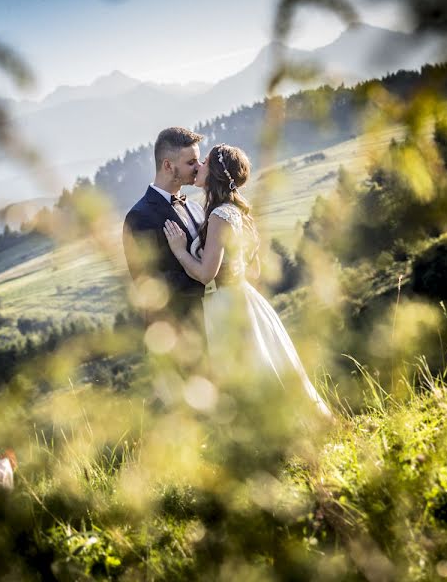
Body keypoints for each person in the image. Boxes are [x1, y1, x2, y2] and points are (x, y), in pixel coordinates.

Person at [162, 143, 332, 418]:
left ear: (215, 172)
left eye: (204, 162)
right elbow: (252, 270)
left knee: (247, 371)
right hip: (241, 298)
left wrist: (180, 251)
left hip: (227, 305)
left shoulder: (219, 215)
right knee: (261, 366)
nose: (198, 167)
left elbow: (206, 273)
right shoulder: (231, 211)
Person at [122, 127, 207, 364]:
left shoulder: (195, 206)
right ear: (168, 166)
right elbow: (150, 283)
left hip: (210, 327)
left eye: (199, 160)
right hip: (176, 339)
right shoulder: (139, 217)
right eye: (191, 162)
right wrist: (209, 278)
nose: (199, 167)